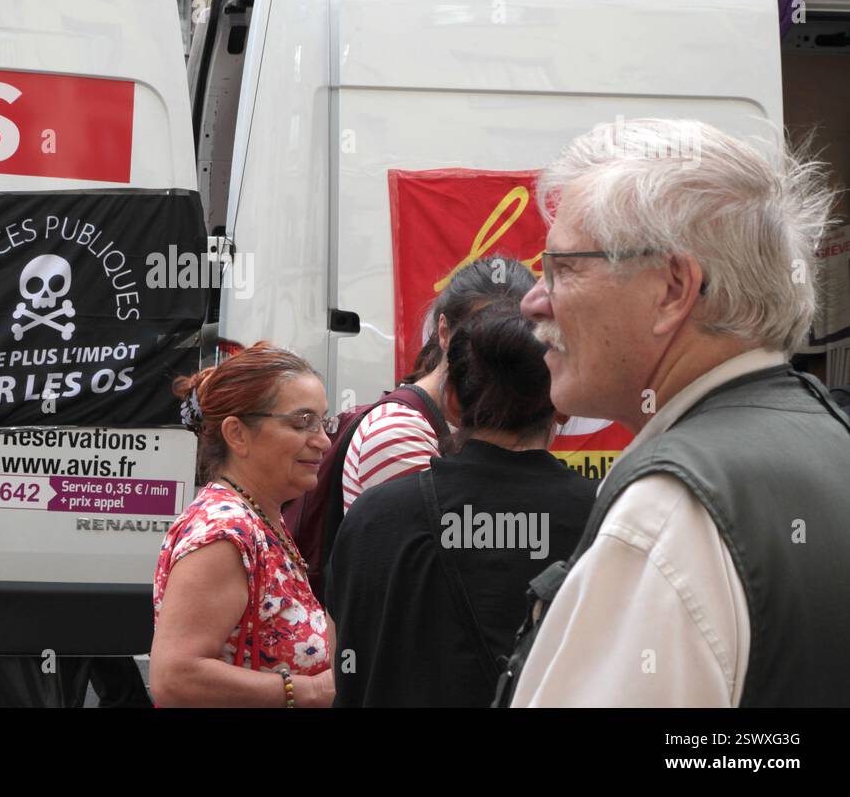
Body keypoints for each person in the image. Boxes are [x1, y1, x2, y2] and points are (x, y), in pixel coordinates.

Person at [501, 118, 850, 707]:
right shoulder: (828, 435)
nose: (534, 299)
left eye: (563, 268)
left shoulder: (669, 511)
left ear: (671, 288)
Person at [327, 302, 594, 706]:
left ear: (451, 400)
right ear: (560, 404)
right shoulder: (602, 517)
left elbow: (343, 663)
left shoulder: (373, 516)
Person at [151, 342, 336, 707]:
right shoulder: (225, 533)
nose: (324, 441)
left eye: (323, 421)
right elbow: (174, 677)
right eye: (302, 422)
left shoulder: (258, 517)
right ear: (237, 434)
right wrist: (312, 692)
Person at [341, 257, 537, 512]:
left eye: (515, 334)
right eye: (480, 333)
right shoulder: (397, 432)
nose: (497, 350)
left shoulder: (477, 421)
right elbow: (474, 543)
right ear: (443, 332)